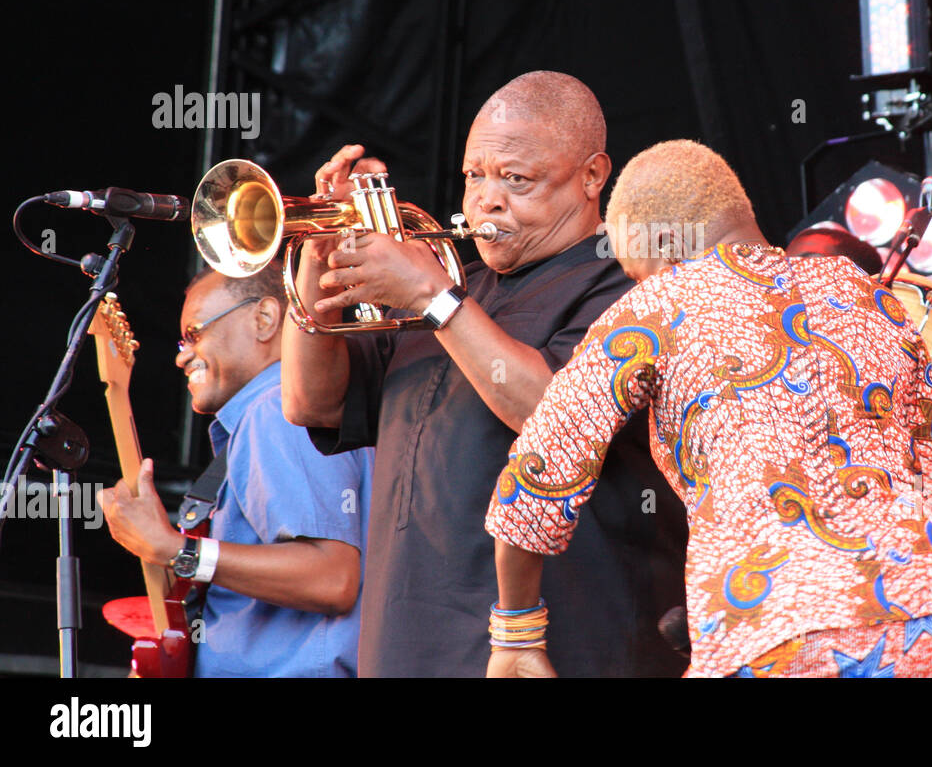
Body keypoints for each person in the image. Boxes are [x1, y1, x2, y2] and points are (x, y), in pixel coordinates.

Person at [485, 140, 932, 678]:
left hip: (774, 629)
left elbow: (543, 465)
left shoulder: (658, 305)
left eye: (639, 271)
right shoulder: (873, 297)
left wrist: (515, 630)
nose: (641, 284)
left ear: (666, 247)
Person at [281, 71, 688, 677]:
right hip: (403, 645)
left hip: (558, 649)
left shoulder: (631, 287)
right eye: (474, 176)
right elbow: (311, 406)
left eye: (516, 179)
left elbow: (558, 420)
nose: (486, 201)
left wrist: (434, 297)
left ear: (593, 175)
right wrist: (319, 259)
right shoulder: (453, 286)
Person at [99, 266, 372, 677]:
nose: (182, 354)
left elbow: (332, 578)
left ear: (264, 319)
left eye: (195, 333)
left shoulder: (276, 410)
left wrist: (179, 551)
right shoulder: (269, 416)